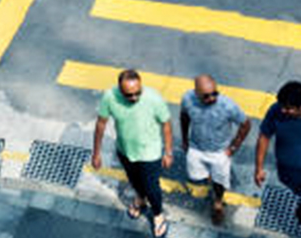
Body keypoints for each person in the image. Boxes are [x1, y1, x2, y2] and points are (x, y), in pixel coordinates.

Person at [91, 69, 173, 238]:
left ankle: (158, 214)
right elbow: (100, 124)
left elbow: (166, 124)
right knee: (135, 181)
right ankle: (140, 200)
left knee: (152, 187)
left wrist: (168, 152)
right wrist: (96, 153)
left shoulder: (153, 98)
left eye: (138, 93)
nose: (134, 98)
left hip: (150, 153)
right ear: (120, 90)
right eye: (129, 95)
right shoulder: (110, 97)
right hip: (125, 150)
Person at [179, 74, 251, 225]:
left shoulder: (228, 106)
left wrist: (233, 147)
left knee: (219, 181)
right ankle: (211, 180)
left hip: (219, 152)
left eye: (214, 93)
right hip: (196, 148)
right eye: (206, 96)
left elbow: (245, 124)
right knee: (198, 176)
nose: (211, 98)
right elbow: (184, 117)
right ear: (196, 93)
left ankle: (218, 202)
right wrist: (185, 139)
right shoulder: (187, 99)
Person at [255, 80, 301, 224]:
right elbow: (264, 137)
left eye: (288, 108)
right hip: (288, 173)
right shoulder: (276, 110)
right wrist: (259, 168)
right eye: (282, 106)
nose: (283, 111)